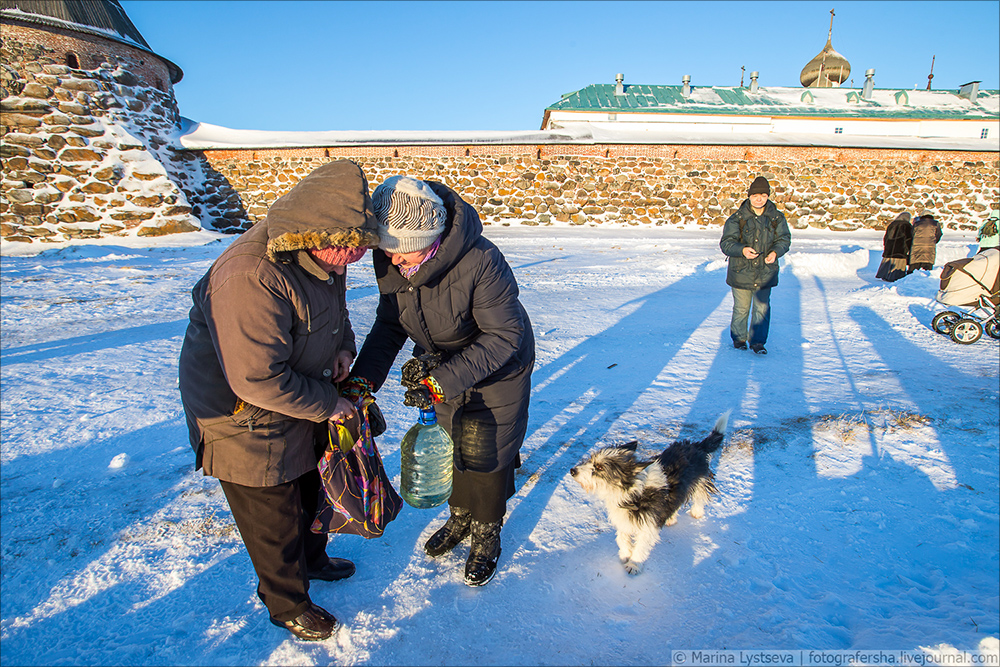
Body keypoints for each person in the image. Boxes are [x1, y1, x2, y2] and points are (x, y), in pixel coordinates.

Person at [178, 160, 380, 641]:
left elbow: (335, 311)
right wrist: (329, 405)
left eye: (359, 242)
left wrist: (343, 347)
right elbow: (255, 377)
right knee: (273, 511)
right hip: (242, 416)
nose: (351, 254)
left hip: (300, 393)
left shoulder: (327, 249)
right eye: (342, 243)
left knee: (311, 482)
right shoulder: (250, 274)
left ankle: (313, 560)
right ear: (308, 228)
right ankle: (286, 601)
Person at [345, 175, 534, 587]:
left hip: (498, 366)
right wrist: (363, 382)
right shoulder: (394, 255)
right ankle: (460, 516)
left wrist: (438, 382)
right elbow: (391, 322)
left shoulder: (481, 261)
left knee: (487, 454)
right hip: (443, 366)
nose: (393, 261)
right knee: (450, 444)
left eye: (401, 251)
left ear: (429, 239)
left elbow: (504, 337)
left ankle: (487, 531)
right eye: (388, 250)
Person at [719, 175, 792, 355]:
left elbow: (784, 239)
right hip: (741, 271)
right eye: (755, 195)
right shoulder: (737, 218)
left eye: (763, 195)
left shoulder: (776, 218)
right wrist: (742, 250)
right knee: (741, 308)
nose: (759, 198)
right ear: (749, 196)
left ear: (768, 196)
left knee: (762, 308)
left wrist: (775, 252)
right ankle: (739, 339)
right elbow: (726, 243)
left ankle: (758, 342)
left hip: (766, 272)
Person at [875, 212, 913, 282]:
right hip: (900, 248)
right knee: (897, 264)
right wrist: (909, 248)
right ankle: (894, 277)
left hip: (889, 247)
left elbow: (886, 237)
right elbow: (908, 238)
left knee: (887, 263)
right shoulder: (907, 226)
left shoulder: (892, 224)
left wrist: (886, 245)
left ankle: (884, 275)